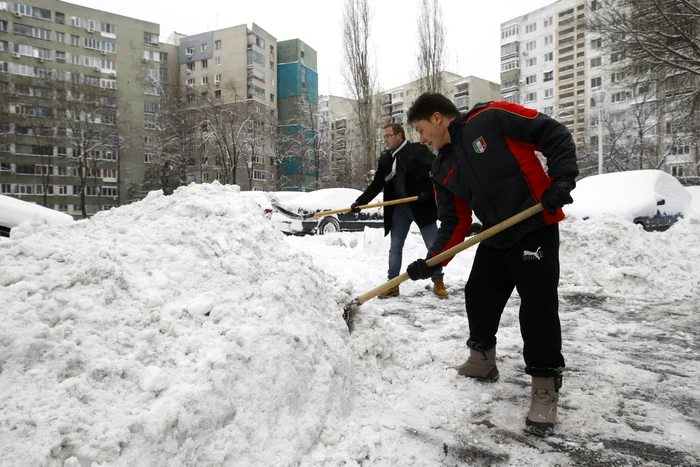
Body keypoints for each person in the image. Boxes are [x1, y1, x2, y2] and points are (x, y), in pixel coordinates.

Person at [404, 93, 578, 437]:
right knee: (479, 294)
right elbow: (454, 221)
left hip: (534, 225)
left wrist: (561, 179)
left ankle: (545, 384)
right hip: (497, 235)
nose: (422, 139)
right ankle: (482, 360)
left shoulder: (492, 117)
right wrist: (432, 262)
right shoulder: (442, 166)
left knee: (537, 306)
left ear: (438, 117)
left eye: (422, 129)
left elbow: (553, 133)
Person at [351, 123, 448, 298]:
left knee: (433, 245)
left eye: (388, 136)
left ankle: (438, 280)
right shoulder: (386, 159)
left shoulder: (418, 150)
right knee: (395, 247)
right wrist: (360, 202)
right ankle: (393, 284)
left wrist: (427, 191)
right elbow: (377, 184)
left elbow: (435, 170)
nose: (385, 140)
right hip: (398, 210)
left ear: (399, 136)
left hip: (421, 206)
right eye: (384, 136)